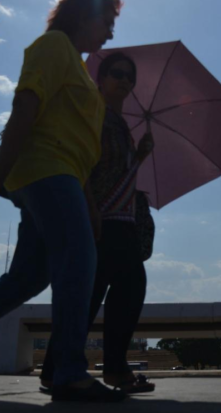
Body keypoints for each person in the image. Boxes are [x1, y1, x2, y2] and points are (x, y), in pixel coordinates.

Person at [0, 0, 126, 403]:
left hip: (64, 176)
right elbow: (26, 105)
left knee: (25, 279)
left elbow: (77, 145)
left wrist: (90, 204)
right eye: (107, 24)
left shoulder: (80, 71)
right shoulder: (53, 46)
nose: (109, 36)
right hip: (45, 171)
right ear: (83, 17)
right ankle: (67, 371)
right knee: (79, 262)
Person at [39, 52, 155, 394]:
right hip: (100, 216)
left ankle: (55, 368)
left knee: (97, 292)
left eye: (129, 77)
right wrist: (88, 207)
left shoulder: (120, 124)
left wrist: (140, 156)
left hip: (120, 218)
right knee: (124, 286)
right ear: (100, 79)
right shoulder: (95, 115)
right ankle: (112, 369)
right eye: (117, 74)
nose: (124, 80)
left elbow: (118, 169)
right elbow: (82, 162)